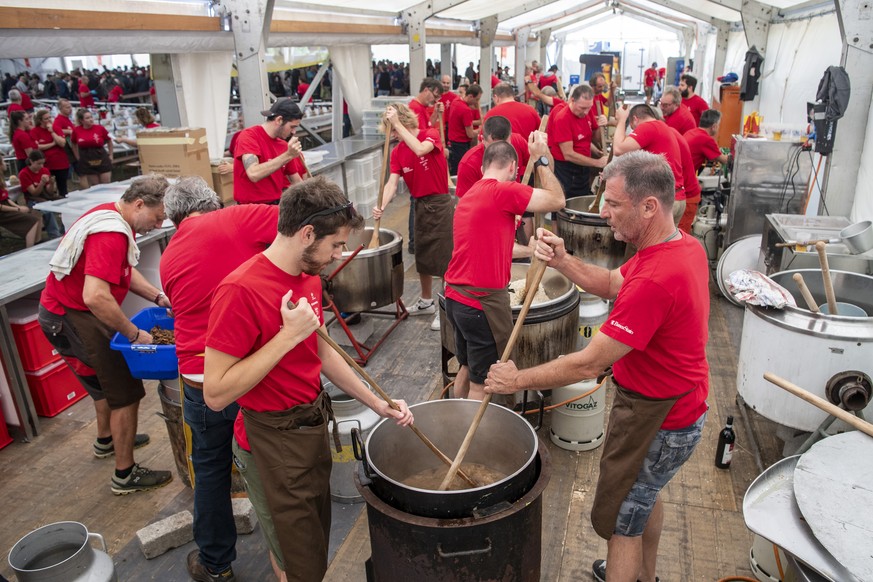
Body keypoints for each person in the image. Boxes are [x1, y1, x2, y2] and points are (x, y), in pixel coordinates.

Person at [485, 151, 709, 582]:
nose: (603, 213)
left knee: (622, 519)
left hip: (661, 419)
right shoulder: (680, 246)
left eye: (614, 204)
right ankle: (646, 576)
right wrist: (563, 261)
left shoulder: (655, 279)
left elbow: (588, 365)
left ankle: (626, 571)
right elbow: (609, 283)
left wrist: (517, 378)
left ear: (649, 206)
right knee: (645, 496)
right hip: (678, 405)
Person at [203, 177, 414, 582]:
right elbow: (215, 394)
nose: (339, 255)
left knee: (308, 544)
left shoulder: (308, 277)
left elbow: (321, 353)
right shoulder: (239, 290)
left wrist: (376, 403)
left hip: (309, 427)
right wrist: (286, 336)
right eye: (335, 245)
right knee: (301, 561)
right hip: (269, 444)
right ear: (306, 233)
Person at [159, 177, 280, 582]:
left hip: (197, 379)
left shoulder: (168, 255)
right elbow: (305, 219)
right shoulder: (238, 218)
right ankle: (289, 557)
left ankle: (215, 564)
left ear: (174, 217)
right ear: (213, 202)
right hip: (250, 373)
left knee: (210, 470)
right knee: (273, 461)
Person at [38, 175, 173, 494]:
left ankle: (106, 441)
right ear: (139, 204)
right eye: (156, 218)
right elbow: (96, 297)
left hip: (58, 311)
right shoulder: (110, 233)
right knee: (125, 392)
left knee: (101, 384)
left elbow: (123, 270)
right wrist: (134, 333)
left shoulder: (110, 214)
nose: (156, 226)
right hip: (73, 317)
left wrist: (156, 296)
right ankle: (125, 475)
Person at [445, 137, 565, 401]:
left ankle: (455, 420)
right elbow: (557, 201)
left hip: (455, 299)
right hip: (480, 306)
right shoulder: (503, 191)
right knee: (482, 382)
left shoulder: (469, 196)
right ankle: (472, 440)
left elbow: (497, 247)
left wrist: (529, 249)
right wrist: (541, 159)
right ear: (513, 167)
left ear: (483, 167)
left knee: (465, 367)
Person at [374, 103, 453, 332]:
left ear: (406, 122)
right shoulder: (398, 151)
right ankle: (427, 301)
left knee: (444, 258)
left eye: (395, 132)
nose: (395, 136)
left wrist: (397, 123)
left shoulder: (430, 135)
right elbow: (391, 182)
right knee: (423, 255)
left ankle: (445, 307)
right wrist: (382, 204)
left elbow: (420, 150)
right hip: (419, 204)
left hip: (439, 204)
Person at [613, 104, 685, 225]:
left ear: (635, 119)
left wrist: (621, 120)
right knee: (665, 244)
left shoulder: (649, 127)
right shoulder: (663, 128)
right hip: (675, 198)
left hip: (662, 203)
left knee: (640, 242)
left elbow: (618, 149)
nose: (634, 131)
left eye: (632, 128)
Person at [233, 98, 305, 205]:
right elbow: (253, 174)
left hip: (275, 204)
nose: (293, 132)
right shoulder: (249, 137)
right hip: (251, 208)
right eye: (292, 127)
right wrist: (288, 155)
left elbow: (296, 181)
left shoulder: (284, 146)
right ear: (279, 120)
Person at [546, 84, 608, 199]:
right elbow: (568, 154)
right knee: (566, 201)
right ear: (572, 101)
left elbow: (595, 138)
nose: (586, 112)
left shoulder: (586, 112)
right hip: (566, 169)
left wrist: (601, 126)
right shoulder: (562, 118)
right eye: (582, 108)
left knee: (582, 197)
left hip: (583, 166)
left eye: (589, 107)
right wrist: (597, 163)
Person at [456, 115, 530, 198]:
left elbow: (534, 165)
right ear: (482, 140)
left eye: (504, 145)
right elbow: (464, 203)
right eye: (493, 147)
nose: (499, 152)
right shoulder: (469, 164)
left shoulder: (518, 141)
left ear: (510, 137)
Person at [18, 150, 62, 239]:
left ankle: (63, 231)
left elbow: (50, 192)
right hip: (33, 199)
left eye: (43, 163)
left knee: (65, 206)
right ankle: (55, 235)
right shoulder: (24, 173)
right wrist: (41, 183)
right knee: (47, 210)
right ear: (31, 161)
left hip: (45, 197)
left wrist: (52, 183)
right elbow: (34, 193)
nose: (41, 166)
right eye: (38, 164)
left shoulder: (44, 170)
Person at [0, 158, 42, 248]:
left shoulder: (1, 179)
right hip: (2, 211)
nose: (5, 163)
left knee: (36, 214)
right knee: (32, 220)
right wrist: (17, 209)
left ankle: (38, 243)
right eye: (3, 162)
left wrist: (18, 206)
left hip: (6, 206)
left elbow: (6, 198)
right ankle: (30, 248)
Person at [31, 108, 71, 198]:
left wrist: (52, 132)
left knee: (63, 188)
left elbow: (62, 143)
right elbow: (37, 147)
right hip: (46, 164)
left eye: (50, 117)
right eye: (46, 119)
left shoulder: (56, 128)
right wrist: (53, 143)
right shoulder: (35, 131)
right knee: (49, 188)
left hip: (61, 163)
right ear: (40, 121)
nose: (49, 120)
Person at [71, 108, 113, 189]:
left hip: (101, 156)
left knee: (106, 183)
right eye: (87, 118)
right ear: (81, 120)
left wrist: (111, 154)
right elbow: (73, 143)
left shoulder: (99, 128)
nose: (90, 119)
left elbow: (109, 140)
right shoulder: (77, 130)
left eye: (91, 117)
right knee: (95, 186)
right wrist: (77, 157)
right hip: (87, 159)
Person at [446, 83, 482, 176]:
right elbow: (470, 134)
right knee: (460, 171)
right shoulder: (466, 110)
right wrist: (479, 130)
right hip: (461, 145)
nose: (477, 102)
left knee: (454, 168)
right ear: (470, 96)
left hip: (452, 141)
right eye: (477, 99)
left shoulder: (456, 101)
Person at [9, 110, 37, 175]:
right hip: (26, 163)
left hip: (22, 162)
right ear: (20, 121)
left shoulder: (17, 133)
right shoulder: (22, 135)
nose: (29, 121)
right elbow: (30, 154)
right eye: (26, 119)